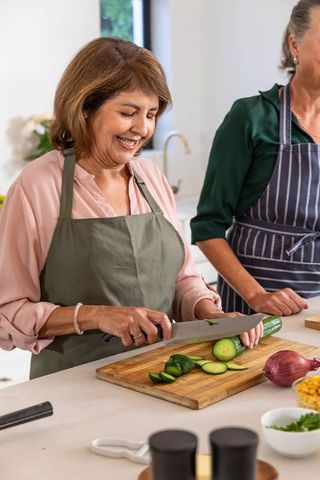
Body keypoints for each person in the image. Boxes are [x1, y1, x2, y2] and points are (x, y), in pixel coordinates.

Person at [0, 38, 261, 379]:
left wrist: (207, 312)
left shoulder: (151, 176)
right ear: (85, 108)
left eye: (151, 114)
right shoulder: (37, 186)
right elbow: (9, 310)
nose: (143, 129)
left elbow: (181, 278)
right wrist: (96, 315)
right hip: (75, 386)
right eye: (128, 113)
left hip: (163, 376)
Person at [191, 0, 320, 318]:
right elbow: (208, 228)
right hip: (258, 310)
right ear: (294, 44)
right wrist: (257, 296)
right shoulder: (251, 117)